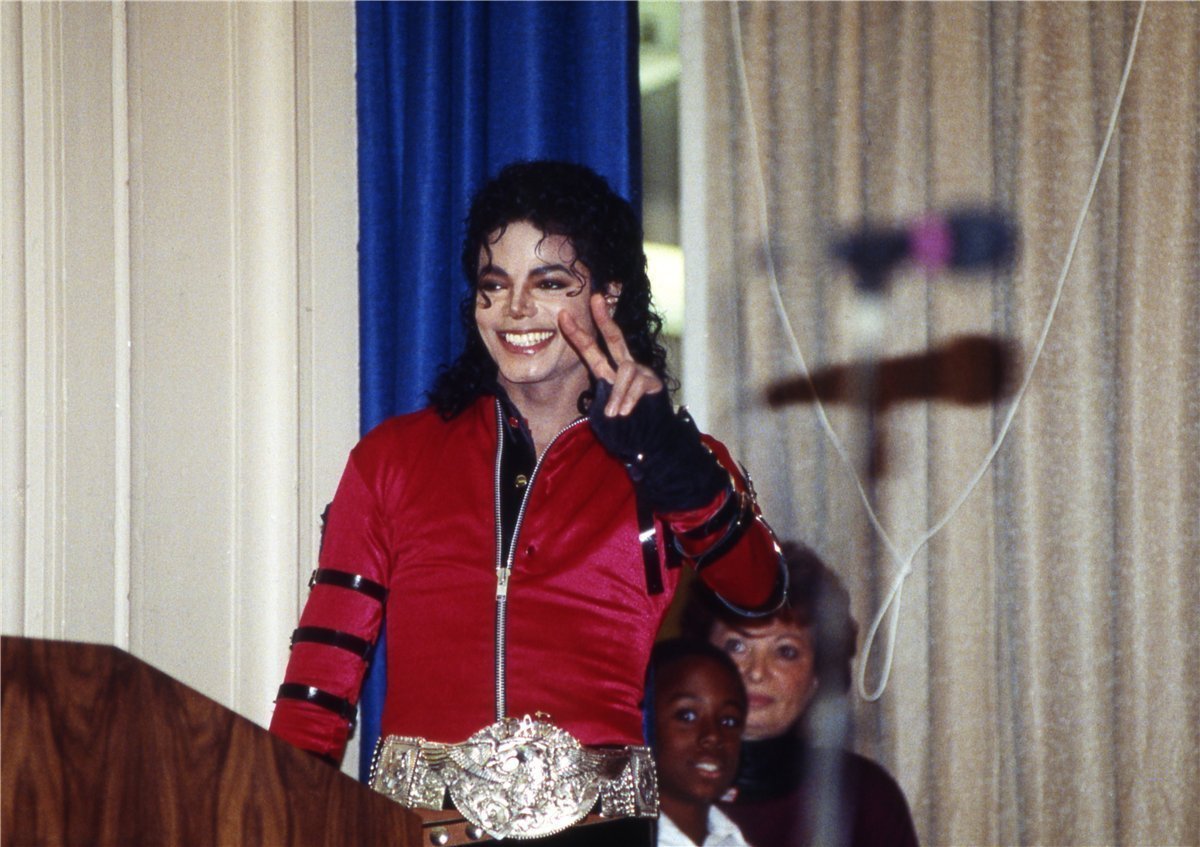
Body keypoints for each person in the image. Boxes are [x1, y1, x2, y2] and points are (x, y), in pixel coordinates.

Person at [269, 160, 785, 845]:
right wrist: (272, 817)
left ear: (608, 294)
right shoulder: (391, 459)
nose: (514, 310)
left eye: (549, 283)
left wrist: (672, 463)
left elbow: (759, 591)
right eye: (494, 285)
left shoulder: (673, 459)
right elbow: (318, 691)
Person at [683, 541, 919, 847]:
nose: (757, 672)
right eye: (736, 646)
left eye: (785, 651)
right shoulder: (641, 782)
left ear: (817, 677)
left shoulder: (866, 796)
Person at [649, 638, 754, 847]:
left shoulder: (733, 841)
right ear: (643, 722)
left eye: (729, 721)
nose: (713, 735)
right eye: (687, 716)